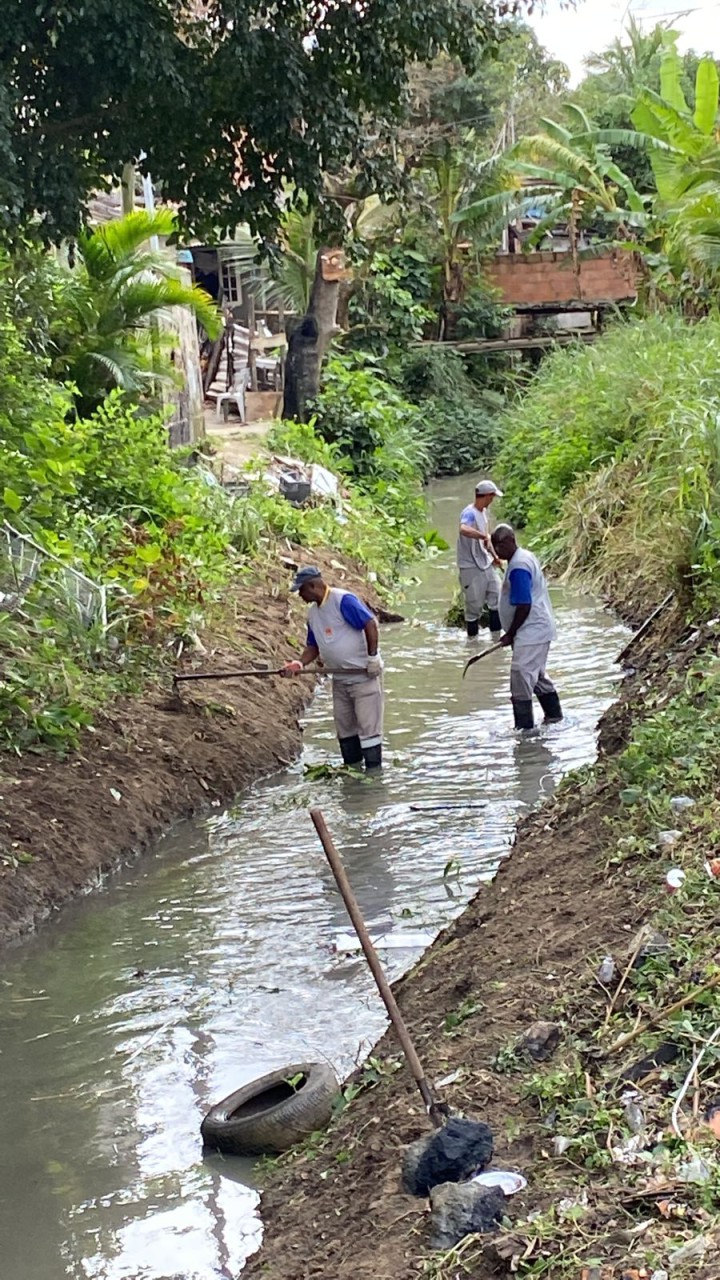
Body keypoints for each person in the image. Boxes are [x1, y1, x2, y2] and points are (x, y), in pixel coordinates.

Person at [281, 567, 384, 769]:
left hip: (364, 676)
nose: (300, 595)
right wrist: (299, 664)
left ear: (312, 586)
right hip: (340, 679)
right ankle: (352, 772)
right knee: (345, 730)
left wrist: (373, 658)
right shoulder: (313, 614)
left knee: (368, 730)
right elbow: (313, 646)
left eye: (301, 591)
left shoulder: (342, 601)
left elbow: (370, 624)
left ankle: (373, 776)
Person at [490, 523, 563, 732]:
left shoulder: (519, 566)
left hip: (531, 631)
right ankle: (555, 718)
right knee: (537, 676)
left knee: (520, 676)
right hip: (534, 630)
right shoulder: (523, 557)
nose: (497, 552)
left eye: (498, 547)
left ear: (508, 542)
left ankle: (525, 732)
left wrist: (510, 634)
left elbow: (524, 604)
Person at [456, 480, 503, 640]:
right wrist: (481, 535)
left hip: (486, 562)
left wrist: (495, 557)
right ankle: (472, 644)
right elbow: (463, 529)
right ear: (487, 496)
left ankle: (497, 639)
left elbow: (487, 539)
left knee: (496, 596)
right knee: (473, 606)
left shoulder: (483, 513)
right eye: (492, 497)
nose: (492, 500)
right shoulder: (469, 512)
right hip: (470, 566)